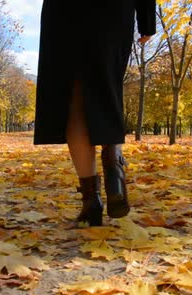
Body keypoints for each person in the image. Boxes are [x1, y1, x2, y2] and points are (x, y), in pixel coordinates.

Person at [34, 1, 157, 227]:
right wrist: (147, 19)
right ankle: (114, 172)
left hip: (64, 11)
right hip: (114, 10)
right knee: (108, 85)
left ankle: (91, 203)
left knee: (75, 96)